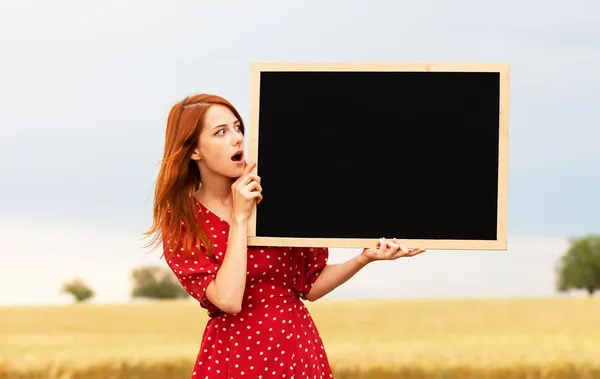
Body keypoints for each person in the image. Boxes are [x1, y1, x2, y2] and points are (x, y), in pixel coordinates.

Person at [145, 94, 427, 379]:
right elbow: (228, 300)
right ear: (194, 151)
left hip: (296, 346)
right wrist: (241, 219)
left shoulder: (278, 201)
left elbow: (310, 285)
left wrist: (364, 258)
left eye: (238, 127)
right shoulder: (183, 225)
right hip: (235, 355)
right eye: (221, 132)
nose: (238, 138)